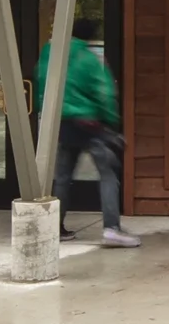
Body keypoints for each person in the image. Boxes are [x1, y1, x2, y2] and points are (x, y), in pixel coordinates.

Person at [35, 19, 137, 247]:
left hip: (62, 121)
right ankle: (112, 228)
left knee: (62, 177)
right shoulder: (90, 59)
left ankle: (55, 227)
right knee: (108, 173)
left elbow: (40, 81)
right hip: (89, 124)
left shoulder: (49, 53)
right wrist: (111, 122)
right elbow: (104, 91)